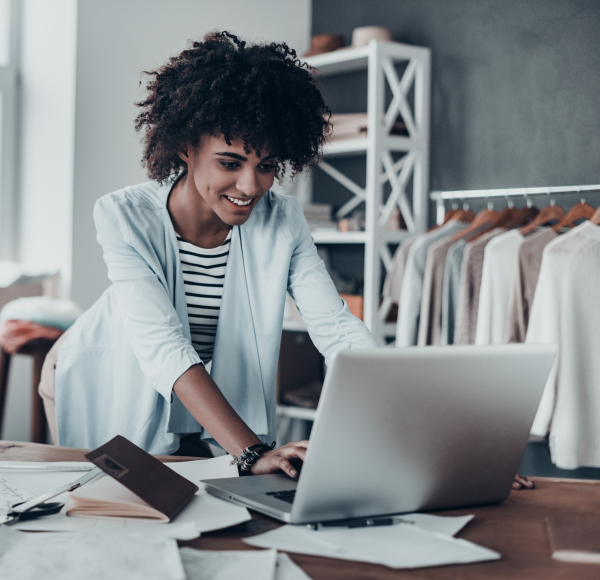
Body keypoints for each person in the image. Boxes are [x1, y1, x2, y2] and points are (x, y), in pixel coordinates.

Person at [38, 31, 378, 478]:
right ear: (186, 146)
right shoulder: (123, 216)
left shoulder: (283, 220)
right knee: (115, 509)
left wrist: (415, 430)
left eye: (267, 166)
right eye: (230, 163)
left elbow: (336, 329)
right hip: (99, 369)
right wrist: (252, 453)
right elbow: (164, 346)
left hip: (192, 382)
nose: (251, 187)